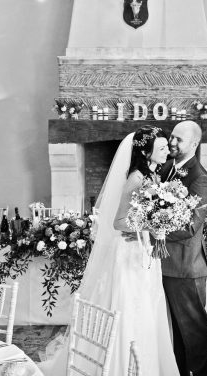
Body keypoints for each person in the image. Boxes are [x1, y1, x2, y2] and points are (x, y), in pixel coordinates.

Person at [37, 126, 179, 376]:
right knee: (128, 308)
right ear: (146, 153)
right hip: (128, 254)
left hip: (143, 251)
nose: (168, 151)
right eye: (162, 148)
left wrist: (158, 223)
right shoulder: (136, 178)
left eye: (167, 147)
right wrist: (152, 226)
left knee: (147, 307)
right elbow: (118, 222)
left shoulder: (154, 177)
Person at [158, 120, 207, 376]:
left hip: (186, 267)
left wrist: (153, 231)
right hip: (165, 265)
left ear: (194, 144)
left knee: (195, 335)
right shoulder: (166, 168)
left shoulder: (200, 178)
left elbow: (191, 226)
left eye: (179, 139)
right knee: (176, 336)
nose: (171, 142)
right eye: (172, 136)